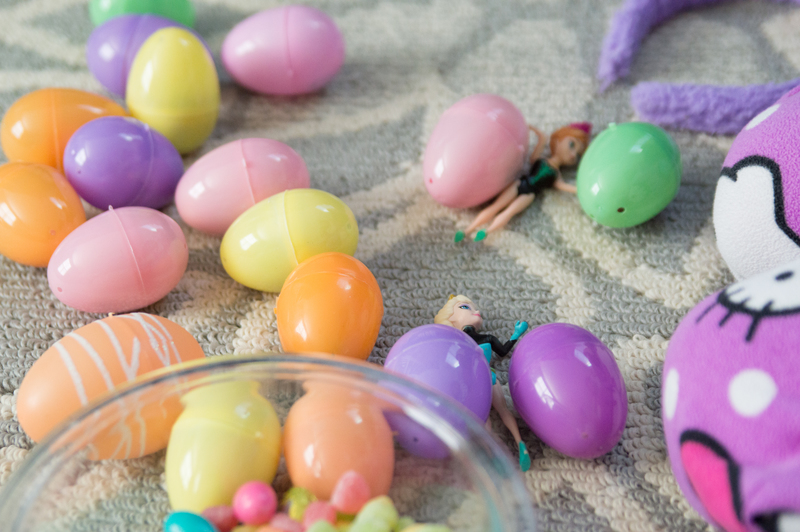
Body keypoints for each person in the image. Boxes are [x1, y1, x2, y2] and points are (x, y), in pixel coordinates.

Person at [434, 295, 531, 471]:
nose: (476, 311)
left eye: (474, 308)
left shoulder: (484, 338)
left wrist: (517, 334)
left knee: (499, 413)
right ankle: (498, 453)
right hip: (477, 383)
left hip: (487, 378)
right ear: (451, 318)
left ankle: (519, 445)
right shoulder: (456, 343)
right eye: (465, 307)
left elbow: (502, 351)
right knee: (487, 418)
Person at [455, 122, 591, 242]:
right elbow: (541, 142)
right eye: (572, 144)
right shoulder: (541, 159)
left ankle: (487, 231)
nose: (573, 154)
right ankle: (468, 229)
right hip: (519, 183)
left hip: (529, 195)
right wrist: (535, 131)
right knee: (496, 206)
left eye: (578, 156)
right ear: (558, 140)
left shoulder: (556, 175)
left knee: (508, 212)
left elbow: (562, 186)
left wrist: (581, 189)